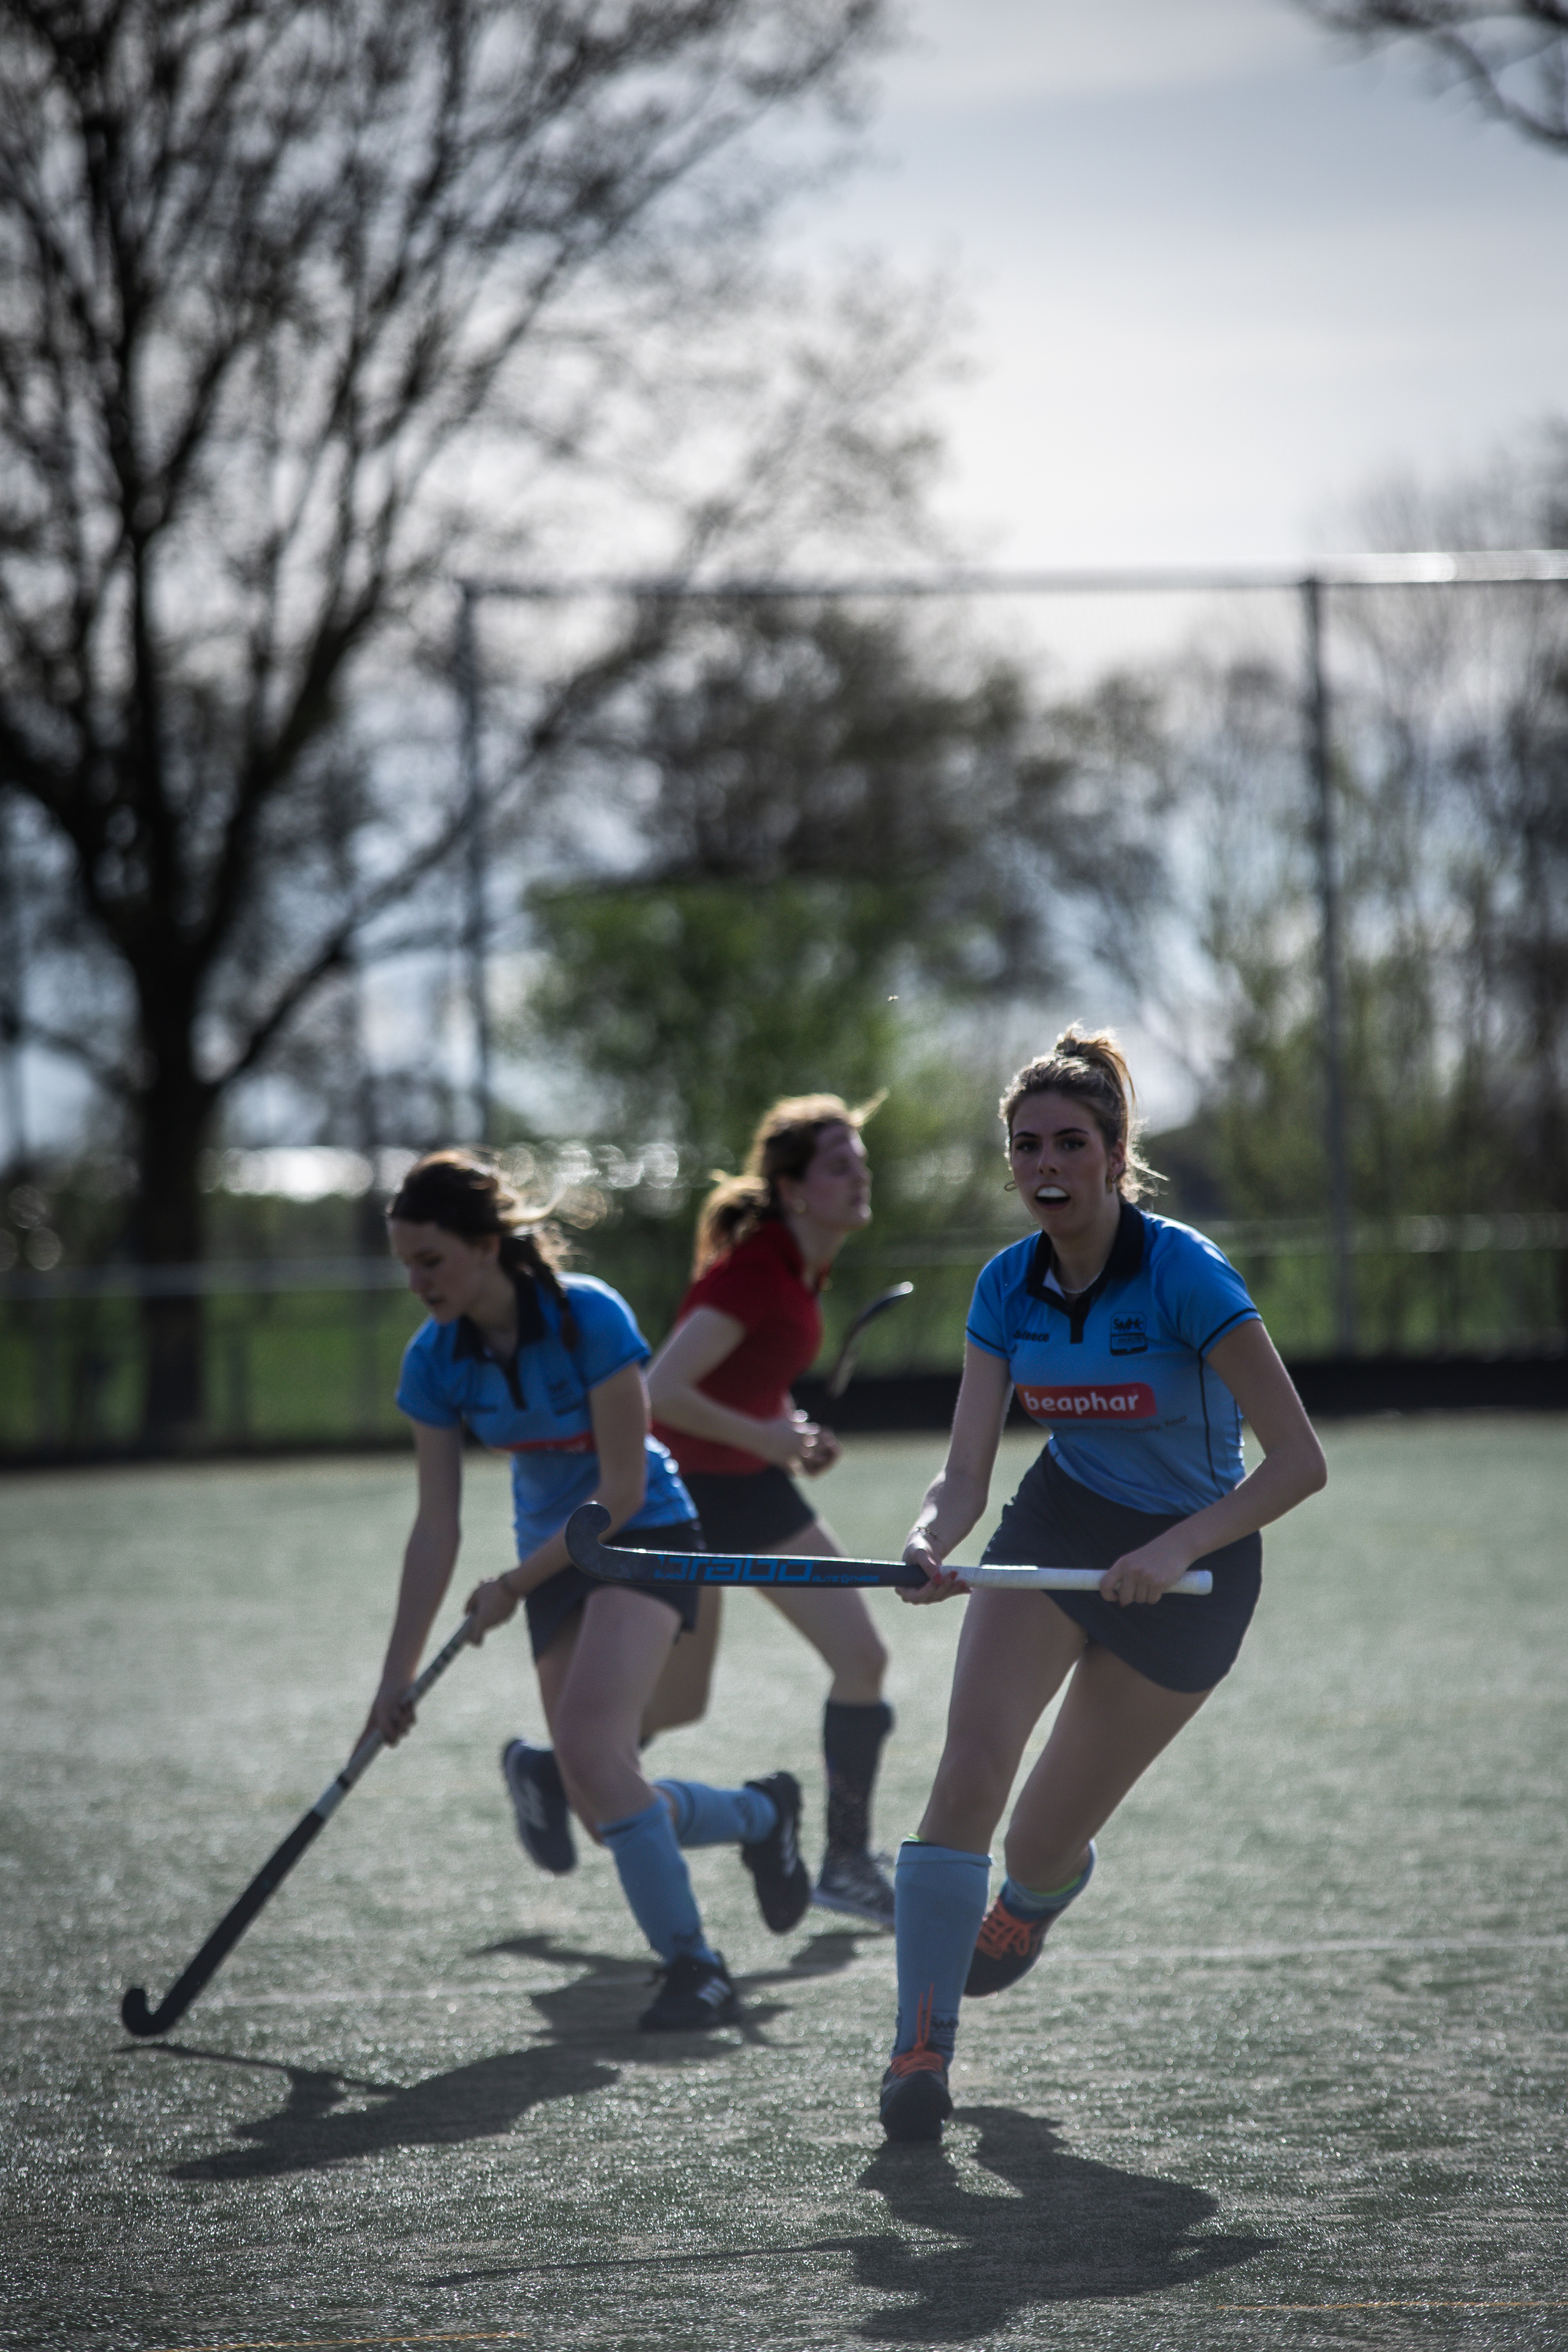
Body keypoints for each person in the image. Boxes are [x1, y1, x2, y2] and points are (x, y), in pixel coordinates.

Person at [877, 1029, 1327, 2141]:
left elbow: (1299, 1462)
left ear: (1116, 1153)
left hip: (1195, 1565)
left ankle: (1034, 1898)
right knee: (969, 1771)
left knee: (1033, 1843)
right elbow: (967, 1471)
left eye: (1070, 1143)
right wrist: (932, 1538)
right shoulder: (1003, 1287)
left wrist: (1180, 1546)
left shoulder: (1185, 1273)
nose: (1046, 1166)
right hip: (1059, 1520)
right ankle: (918, 2051)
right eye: (1026, 1146)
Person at [369, 1150, 811, 2035]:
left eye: (431, 1261)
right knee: (597, 1790)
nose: (415, 1282)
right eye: (405, 1264)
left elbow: (618, 1487)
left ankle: (697, 1966)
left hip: (640, 1536)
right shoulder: (435, 1360)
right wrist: (395, 1677)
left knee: (587, 1745)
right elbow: (435, 1530)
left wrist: (510, 1586)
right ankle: (763, 1815)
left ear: (487, 1244)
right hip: (549, 1562)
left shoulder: (590, 1317)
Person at [502, 1095, 899, 1926]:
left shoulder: (796, 1268)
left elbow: (740, 1380)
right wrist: (768, 1436)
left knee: (793, 1675)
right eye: (838, 1164)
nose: (858, 1174)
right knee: (846, 1660)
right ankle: (841, 1861)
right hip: (691, 1496)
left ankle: (549, 1770)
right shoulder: (756, 1269)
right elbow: (661, 1393)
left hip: (747, 1484)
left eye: (859, 1160)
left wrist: (785, 1430)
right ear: (791, 1189)